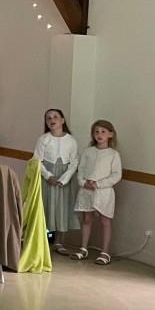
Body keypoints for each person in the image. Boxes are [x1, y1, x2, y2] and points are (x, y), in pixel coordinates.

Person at [69, 120, 123, 266]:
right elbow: (81, 169)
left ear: (110, 134)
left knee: (105, 221)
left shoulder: (113, 154)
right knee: (87, 219)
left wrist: (98, 184)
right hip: (87, 190)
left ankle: (105, 252)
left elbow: (116, 175)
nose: (99, 135)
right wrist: (83, 182)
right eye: (97, 132)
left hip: (104, 192)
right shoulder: (88, 151)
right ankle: (83, 248)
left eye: (103, 132)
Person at [33, 108, 81, 248]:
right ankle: (44, 237)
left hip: (64, 178)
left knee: (63, 207)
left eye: (55, 117)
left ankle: (59, 241)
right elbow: (37, 160)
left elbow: (74, 162)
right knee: (47, 205)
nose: (52, 120)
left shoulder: (71, 140)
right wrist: (48, 176)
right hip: (48, 176)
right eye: (48, 118)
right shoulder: (43, 139)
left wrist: (64, 179)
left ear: (62, 120)